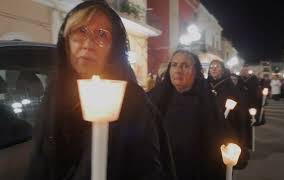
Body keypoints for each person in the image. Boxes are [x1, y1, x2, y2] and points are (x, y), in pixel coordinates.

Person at [25, 1, 175, 180]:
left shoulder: (133, 102)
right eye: (80, 31)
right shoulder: (55, 93)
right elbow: (40, 162)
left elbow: (148, 170)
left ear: (114, 48)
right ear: (66, 41)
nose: (88, 44)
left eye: (102, 35)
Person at [148, 50, 226, 180]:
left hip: (195, 171)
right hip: (163, 169)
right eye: (174, 65)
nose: (178, 70)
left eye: (185, 66)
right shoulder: (156, 96)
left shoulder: (206, 100)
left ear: (195, 72)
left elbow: (218, 136)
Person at [207, 58, 250, 169]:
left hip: (228, 124)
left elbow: (239, 105)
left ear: (223, 70)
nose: (214, 69)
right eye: (211, 67)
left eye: (217, 67)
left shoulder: (229, 86)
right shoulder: (206, 85)